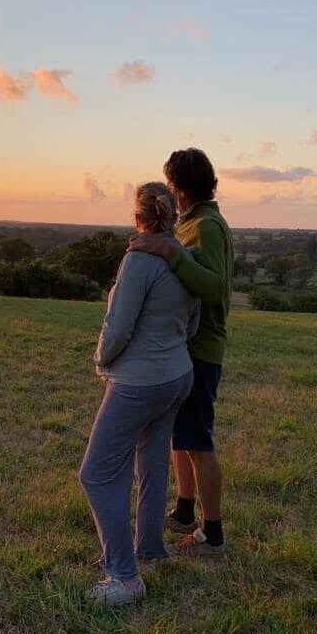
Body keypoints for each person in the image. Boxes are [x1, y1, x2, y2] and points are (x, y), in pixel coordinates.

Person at [80, 182, 200, 606]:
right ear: (172, 216)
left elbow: (118, 325)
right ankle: (149, 549)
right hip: (177, 375)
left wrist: (100, 361)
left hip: (139, 382)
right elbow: (193, 323)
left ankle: (124, 577)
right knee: (150, 463)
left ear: (138, 217)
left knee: (96, 474)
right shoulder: (184, 257)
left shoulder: (138, 260)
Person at [129, 147, 233, 557]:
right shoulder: (194, 222)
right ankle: (185, 511)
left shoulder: (207, 226)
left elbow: (214, 287)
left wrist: (172, 254)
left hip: (202, 349)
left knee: (198, 441)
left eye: (171, 185)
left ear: (179, 188)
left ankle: (213, 533)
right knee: (180, 437)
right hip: (183, 348)